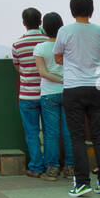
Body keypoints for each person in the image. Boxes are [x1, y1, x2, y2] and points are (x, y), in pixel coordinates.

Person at [54, 0, 100, 196]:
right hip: (96, 86)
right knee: (99, 136)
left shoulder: (64, 31)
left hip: (73, 87)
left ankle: (82, 183)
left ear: (72, 9)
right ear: (92, 10)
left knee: (77, 137)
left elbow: (58, 56)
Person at [34, 12, 74, 181]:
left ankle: (52, 169)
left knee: (51, 133)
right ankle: (70, 167)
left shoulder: (40, 48)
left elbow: (43, 72)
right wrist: (65, 79)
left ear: (44, 27)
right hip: (69, 92)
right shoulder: (67, 46)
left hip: (49, 94)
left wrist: (57, 79)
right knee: (69, 131)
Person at [11, 7, 47, 177]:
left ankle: (36, 167)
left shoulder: (17, 44)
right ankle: (50, 164)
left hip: (27, 95)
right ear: (40, 22)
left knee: (31, 132)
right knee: (50, 131)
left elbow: (18, 68)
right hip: (48, 93)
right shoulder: (49, 41)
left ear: (24, 23)